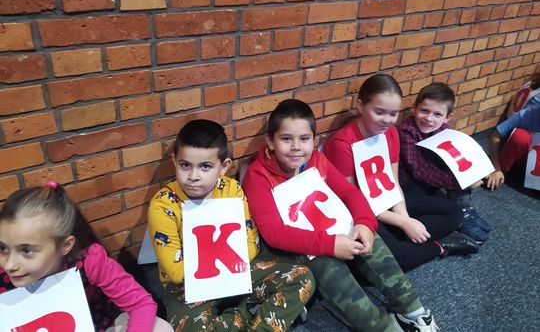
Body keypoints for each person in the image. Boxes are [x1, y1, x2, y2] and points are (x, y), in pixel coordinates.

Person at [243, 99, 439, 332]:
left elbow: (350, 193)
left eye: (304, 139)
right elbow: (274, 233)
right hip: (293, 248)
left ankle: (413, 311)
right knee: (329, 268)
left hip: (329, 231)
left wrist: (365, 224)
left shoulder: (317, 160)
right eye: (286, 139)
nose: (296, 147)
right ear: (270, 141)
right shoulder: (257, 176)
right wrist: (330, 245)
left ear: (314, 140)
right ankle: (382, 328)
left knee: (370, 241)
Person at [148, 119, 315, 331]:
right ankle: (247, 312)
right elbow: (175, 272)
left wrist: (230, 272)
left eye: (205, 166)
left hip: (236, 273)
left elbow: (251, 244)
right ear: (174, 161)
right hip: (187, 287)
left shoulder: (232, 189)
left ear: (223, 167)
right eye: (185, 165)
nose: (193, 176)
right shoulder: (162, 205)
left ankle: (246, 318)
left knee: (302, 278)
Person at [323, 75, 478, 271]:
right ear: (360, 106)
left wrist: (404, 217)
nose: (387, 120)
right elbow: (353, 200)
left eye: (393, 113)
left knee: (454, 213)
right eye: (379, 112)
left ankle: (402, 239)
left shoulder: (391, 132)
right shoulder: (342, 143)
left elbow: (393, 181)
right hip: (359, 210)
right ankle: (439, 247)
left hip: (384, 198)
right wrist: (402, 222)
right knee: (397, 257)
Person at [0, 182, 172, 332]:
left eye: (26, 250)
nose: (9, 265)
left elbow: (141, 304)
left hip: (97, 326)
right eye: (2, 248)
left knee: (160, 327)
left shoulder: (90, 260)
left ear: (65, 246)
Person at [399, 82, 491, 243]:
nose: (429, 118)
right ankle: (460, 214)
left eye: (437, 114)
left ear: (447, 117)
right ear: (414, 109)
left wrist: (476, 173)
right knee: (454, 179)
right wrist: (461, 183)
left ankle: (464, 208)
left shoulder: (443, 130)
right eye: (424, 111)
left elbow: (460, 155)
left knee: (453, 164)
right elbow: (418, 170)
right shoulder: (406, 132)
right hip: (410, 186)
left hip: (430, 181)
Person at [486, 104, 540, 191]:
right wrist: (496, 168)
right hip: (524, 158)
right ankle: (501, 171)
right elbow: (495, 135)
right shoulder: (527, 114)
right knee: (520, 137)